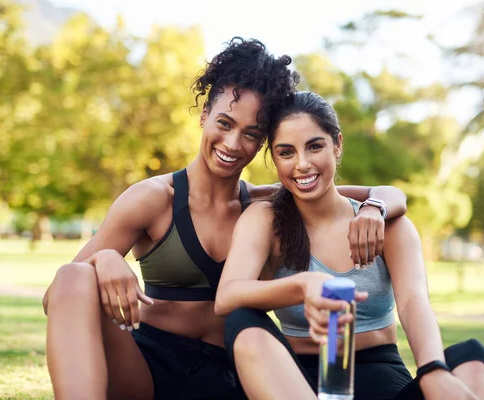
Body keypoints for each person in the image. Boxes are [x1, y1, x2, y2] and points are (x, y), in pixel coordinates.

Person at [42, 39, 408, 400]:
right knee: (74, 275)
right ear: (204, 117)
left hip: (233, 377)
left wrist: (376, 208)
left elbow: (381, 192)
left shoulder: (266, 204)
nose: (233, 143)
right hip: (148, 370)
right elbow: (58, 297)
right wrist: (102, 259)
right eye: (224, 123)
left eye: (251, 134)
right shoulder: (153, 199)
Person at [216, 91, 484, 400]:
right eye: (286, 152)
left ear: (337, 145)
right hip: (294, 382)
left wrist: (433, 369)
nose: (303, 164)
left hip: (382, 377)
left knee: (470, 356)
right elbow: (227, 296)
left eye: (315, 146)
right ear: (275, 159)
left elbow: (414, 301)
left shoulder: (386, 223)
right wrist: (304, 285)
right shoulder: (266, 219)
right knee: (242, 322)